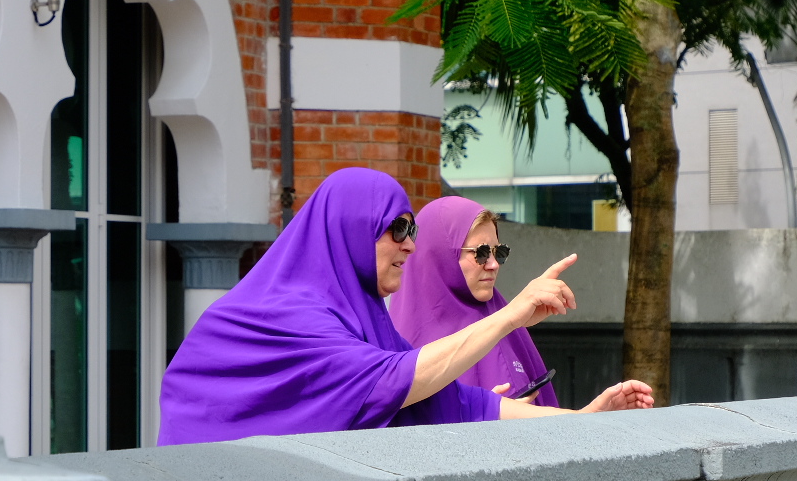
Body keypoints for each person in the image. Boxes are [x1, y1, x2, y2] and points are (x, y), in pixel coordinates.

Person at [157, 167, 583, 445]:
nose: (411, 244)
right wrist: (511, 317)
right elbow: (389, 383)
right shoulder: (282, 316)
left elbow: (457, 403)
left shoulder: (367, 321)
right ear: (351, 231)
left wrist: (584, 424)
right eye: (397, 228)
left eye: (412, 228)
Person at [391, 195, 654, 418]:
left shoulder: (503, 320)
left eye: (499, 252)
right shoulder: (404, 348)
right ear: (439, 257)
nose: (493, 264)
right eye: (481, 253)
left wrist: (591, 416)